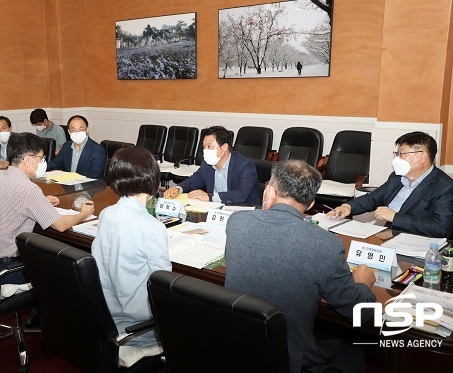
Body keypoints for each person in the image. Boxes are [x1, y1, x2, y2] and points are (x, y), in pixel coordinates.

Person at [225, 160, 376, 373]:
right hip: (289, 358)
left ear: (268, 190)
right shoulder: (326, 243)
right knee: (356, 355)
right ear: (312, 203)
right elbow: (359, 313)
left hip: (236, 346)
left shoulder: (237, 222)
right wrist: (364, 285)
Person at [0, 132, 94, 284]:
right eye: (41, 158)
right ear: (27, 160)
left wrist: (40, 202)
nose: (43, 162)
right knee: (70, 270)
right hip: (9, 267)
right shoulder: (28, 189)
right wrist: (84, 214)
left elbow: (15, 201)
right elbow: (60, 225)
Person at [92, 146, 171, 350]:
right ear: (152, 179)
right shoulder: (153, 227)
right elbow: (162, 287)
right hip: (139, 328)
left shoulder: (106, 214)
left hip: (105, 316)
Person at [328, 131, 453, 238]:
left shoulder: (444, 187)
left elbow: (441, 228)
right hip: (388, 235)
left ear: (421, 157)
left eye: (401, 154)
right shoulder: (396, 177)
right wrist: (348, 207)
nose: (396, 159)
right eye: (396, 154)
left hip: (416, 243)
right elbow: (373, 198)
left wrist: (395, 217)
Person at [164, 126, 262, 205]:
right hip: (217, 209)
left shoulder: (245, 165)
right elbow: (194, 180)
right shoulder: (207, 164)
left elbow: (241, 195)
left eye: (209, 146)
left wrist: (209, 196)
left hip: (245, 212)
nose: (205, 150)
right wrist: (178, 188)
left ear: (224, 147)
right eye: (204, 146)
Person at [47, 115, 106, 179]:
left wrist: (66, 175)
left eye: (81, 129)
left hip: (91, 186)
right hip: (69, 185)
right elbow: (55, 163)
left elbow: (93, 176)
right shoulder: (67, 146)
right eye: (73, 130)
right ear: (69, 132)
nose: (77, 133)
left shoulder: (98, 150)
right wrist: (41, 169)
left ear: (87, 130)